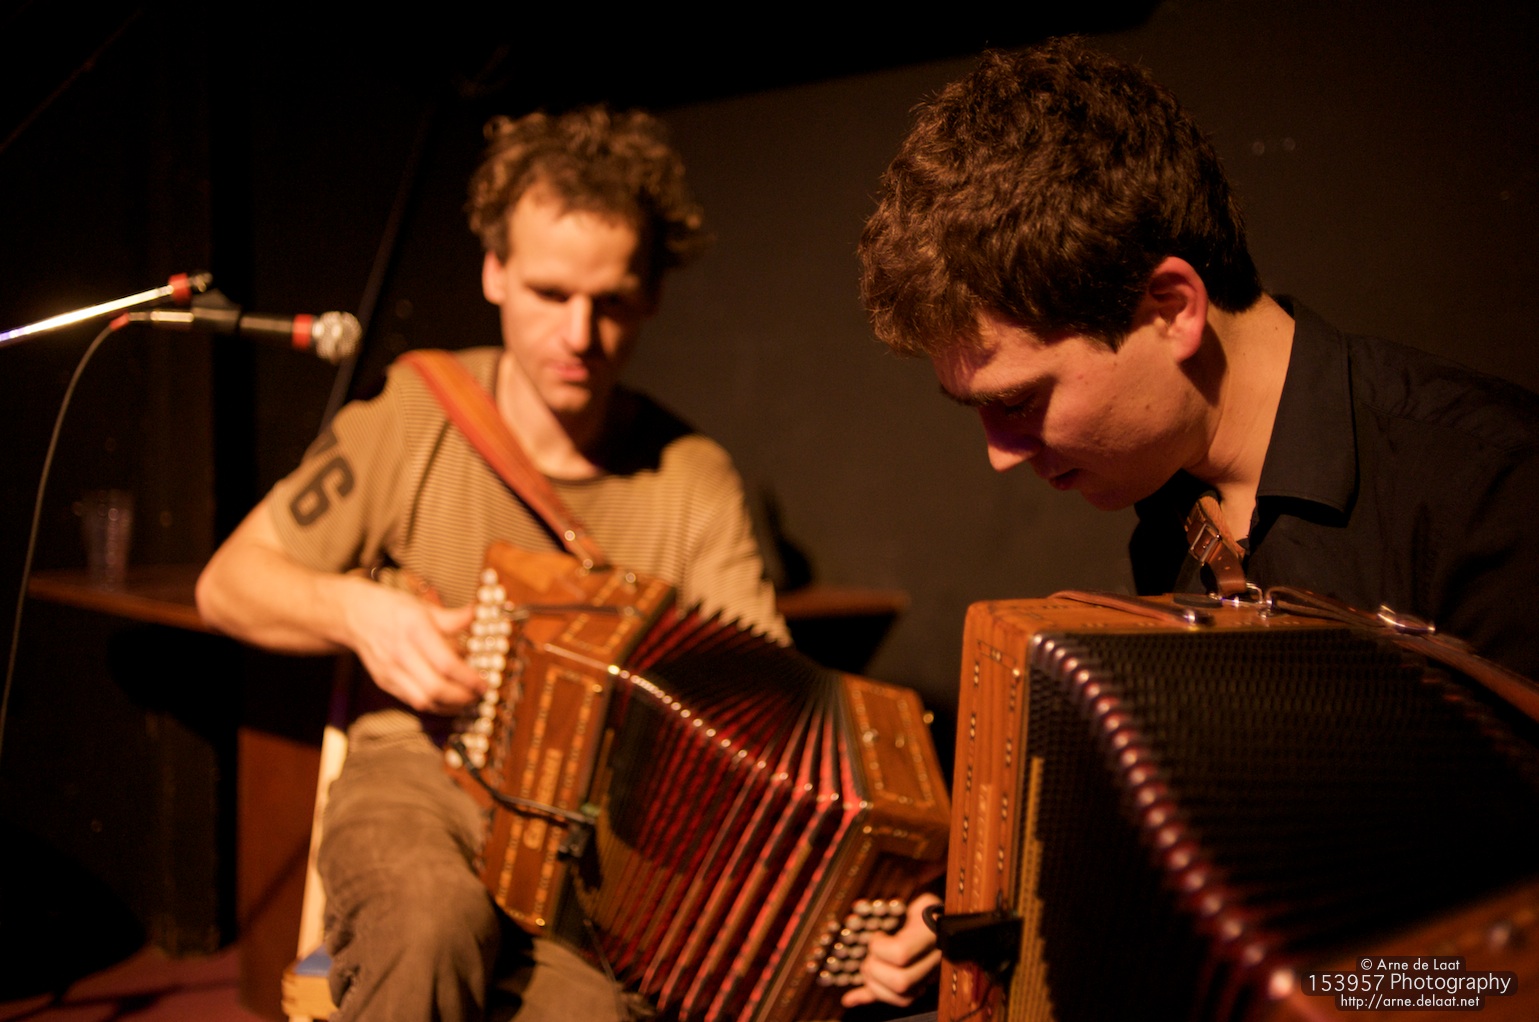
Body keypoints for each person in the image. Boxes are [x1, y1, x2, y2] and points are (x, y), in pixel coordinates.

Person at [851, 36, 1539, 1005]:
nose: (999, 452)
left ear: (1172, 306)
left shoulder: (1495, 491)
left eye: (1019, 399)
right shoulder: (1172, 516)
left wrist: (1334, 992)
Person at [197, 107, 789, 1022]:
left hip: (600, 834)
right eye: (550, 293)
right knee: (428, 928)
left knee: (595, 1014)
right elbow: (228, 584)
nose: (580, 335)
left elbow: (767, 711)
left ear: (652, 295)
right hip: (422, 771)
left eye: (612, 301)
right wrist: (361, 612)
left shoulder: (693, 477)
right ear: (494, 272)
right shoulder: (414, 411)